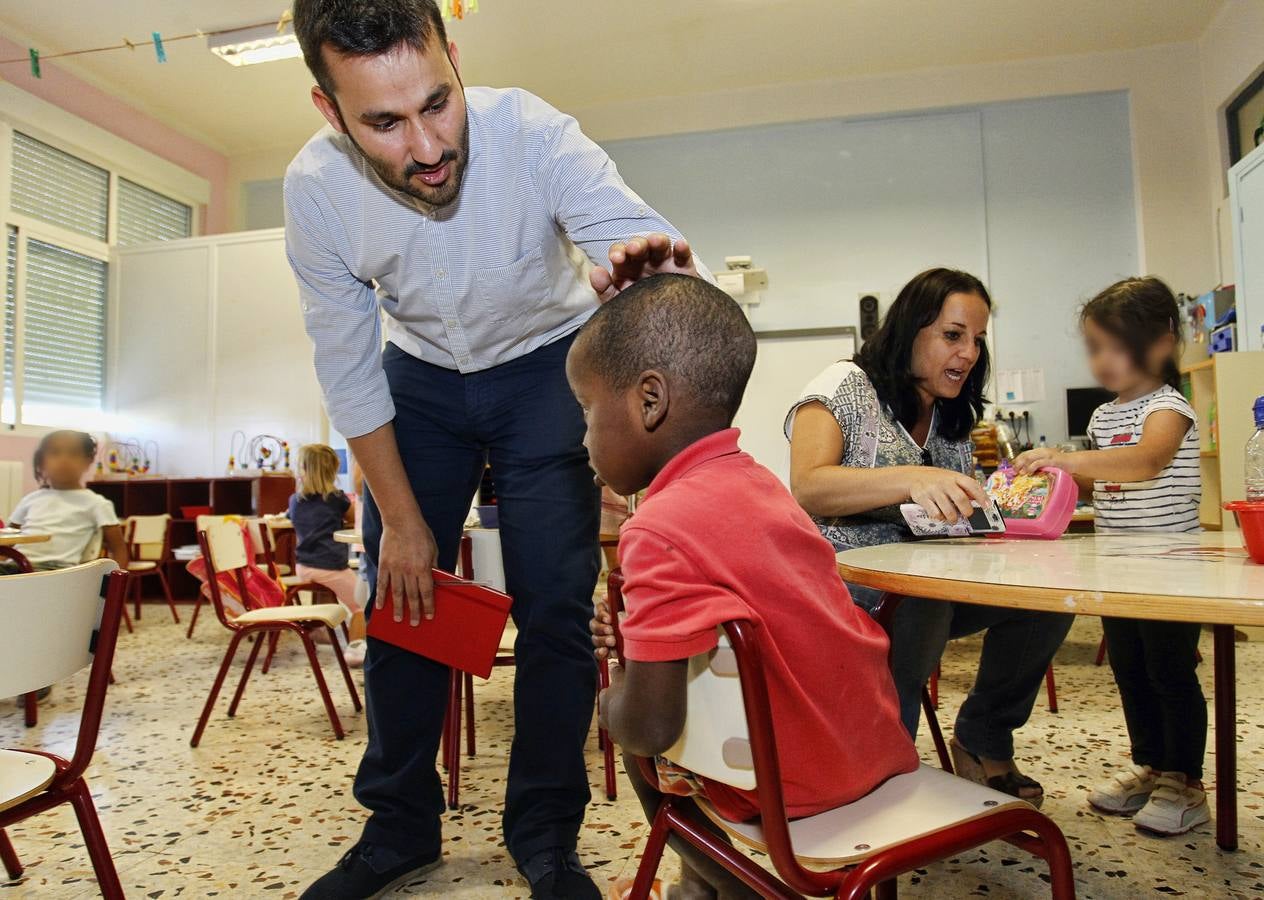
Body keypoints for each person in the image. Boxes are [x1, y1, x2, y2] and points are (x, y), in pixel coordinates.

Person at [285, 3, 707, 896]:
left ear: (456, 59)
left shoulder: (532, 131)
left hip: (544, 370)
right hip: (420, 379)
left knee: (556, 609)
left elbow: (653, 257)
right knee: (404, 602)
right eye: (385, 123)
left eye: (439, 102)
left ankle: (546, 831)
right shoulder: (315, 188)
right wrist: (400, 523)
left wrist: (651, 286)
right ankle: (399, 827)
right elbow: (348, 367)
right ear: (330, 112)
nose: (429, 146)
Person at [578, 275, 918, 900]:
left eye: (587, 409)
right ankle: (707, 886)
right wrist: (636, 633)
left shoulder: (656, 527)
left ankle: (733, 886)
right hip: (874, 754)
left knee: (636, 747)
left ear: (648, 400)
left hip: (798, 789)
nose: (584, 437)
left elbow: (651, 725)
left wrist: (613, 692)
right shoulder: (763, 488)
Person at [785, 267, 1073, 806]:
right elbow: (808, 486)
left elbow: (952, 508)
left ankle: (982, 736)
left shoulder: (947, 411)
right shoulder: (842, 387)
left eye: (978, 339)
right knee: (923, 604)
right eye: (952, 335)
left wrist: (1008, 502)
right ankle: (885, 774)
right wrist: (912, 479)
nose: (968, 353)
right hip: (845, 595)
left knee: (1049, 599)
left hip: (925, 589)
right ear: (911, 328)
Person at [1015, 277, 1207, 835]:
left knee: (1171, 670)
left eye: (1116, 346)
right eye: (1095, 347)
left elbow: (1145, 463)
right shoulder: (1103, 417)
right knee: (1130, 668)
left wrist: (1071, 462)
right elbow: (1106, 485)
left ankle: (1186, 781)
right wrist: (1044, 483)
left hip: (1170, 568)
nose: (1103, 361)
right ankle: (1151, 765)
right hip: (1117, 565)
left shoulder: (1170, 408)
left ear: (1163, 341)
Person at [289, 443, 366, 667]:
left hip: (303, 566)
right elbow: (354, 519)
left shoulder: (294, 500)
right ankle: (355, 649)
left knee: (326, 590)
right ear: (332, 471)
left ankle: (320, 630)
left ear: (303, 469)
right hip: (329, 566)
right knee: (361, 603)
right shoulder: (336, 499)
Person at [7, 431, 128, 572]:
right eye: (55, 453)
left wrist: (115, 588)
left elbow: (119, 549)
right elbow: (8, 538)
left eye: (74, 454)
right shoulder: (30, 499)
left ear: (87, 461)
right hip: (16, 565)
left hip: (56, 571)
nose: (64, 459)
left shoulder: (97, 504)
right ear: (42, 462)